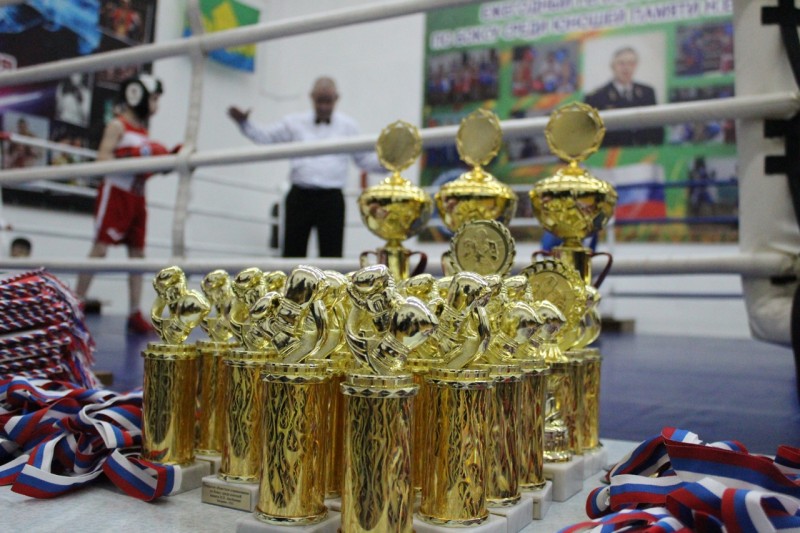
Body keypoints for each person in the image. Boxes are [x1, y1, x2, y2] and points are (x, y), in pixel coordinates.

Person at [228, 76, 384, 258]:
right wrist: (244, 123)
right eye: (320, 101)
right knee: (292, 256)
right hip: (300, 196)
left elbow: (364, 160)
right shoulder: (294, 122)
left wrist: (390, 161)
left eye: (328, 101)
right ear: (311, 97)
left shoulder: (349, 126)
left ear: (336, 99)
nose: (324, 106)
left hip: (332, 200)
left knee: (332, 258)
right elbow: (266, 137)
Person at [75, 74, 175, 334]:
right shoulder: (117, 125)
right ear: (136, 95)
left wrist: (165, 163)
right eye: (154, 99)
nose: (156, 105)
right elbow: (102, 160)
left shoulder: (143, 132)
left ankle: (134, 312)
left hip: (137, 197)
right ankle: (74, 306)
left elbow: (142, 167)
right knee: (100, 249)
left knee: (137, 255)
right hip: (116, 193)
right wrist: (131, 157)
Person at [584, 46, 664, 147]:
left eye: (631, 63)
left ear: (636, 66)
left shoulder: (647, 93)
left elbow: (656, 130)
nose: (626, 68)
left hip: (643, 153)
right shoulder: (596, 96)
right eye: (621, 63)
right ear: (613, 66)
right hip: (610, 154)